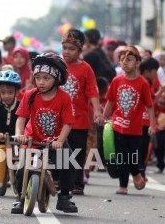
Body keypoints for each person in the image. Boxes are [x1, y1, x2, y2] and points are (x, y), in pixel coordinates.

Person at [12, 52, 78, 214]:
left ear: (57, 79)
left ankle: (64, 197)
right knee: (21, 168)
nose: (40, 82)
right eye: (38, 77)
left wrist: (60, 141)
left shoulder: (64, 98)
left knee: (68, 162)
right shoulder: (30, 95)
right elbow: (21, 118)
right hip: (32, 140)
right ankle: (20, 199)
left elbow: (68, 123)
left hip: (56, 141)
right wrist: (20, 134)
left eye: (46, 78)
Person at [103, 45, 153, 195]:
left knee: (132, 156)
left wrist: (151, 124)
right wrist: (104, 117)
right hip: (118, 125)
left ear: (138, 63)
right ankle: (123, 185)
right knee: (121, 157)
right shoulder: (116, 80)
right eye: (122, 59)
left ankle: (136, 173)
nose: (125, 62)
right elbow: (110, 101)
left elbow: (149, 106)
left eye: (129, 60)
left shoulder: (143, 83)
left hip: (135, 128)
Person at [60, 29, 102, 195]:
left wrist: (97, 112)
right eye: (65, 48)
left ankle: (77, 183)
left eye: (71, 49)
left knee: (77, 153)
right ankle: (61, 180)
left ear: (80, 50)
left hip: (79, 120)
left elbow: (92, 91)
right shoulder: (58, 65)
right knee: (60, 151)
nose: (67, 52)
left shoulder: (86, 69)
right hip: (60, 119)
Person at [0, 69, 20, 197]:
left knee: (22, 159)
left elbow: (25, 122)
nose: (7, 96)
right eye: (3, 92)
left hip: (17, 142)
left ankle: (21, 182)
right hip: (0, 142)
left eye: (10, 92)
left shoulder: (20, 106)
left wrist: (21, 135)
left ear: (17, 92)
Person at [139, 57, 160, 179]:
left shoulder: (146, 83)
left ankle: (141, 172)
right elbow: (150, 103)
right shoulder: (143, 83)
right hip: (142, 121)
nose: (156, 74)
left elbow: (152, 102)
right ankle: (140, 172)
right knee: (142, 149)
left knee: (144, 148)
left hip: (145, 121)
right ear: (147, 71)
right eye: (155, 71)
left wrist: (160, 91)